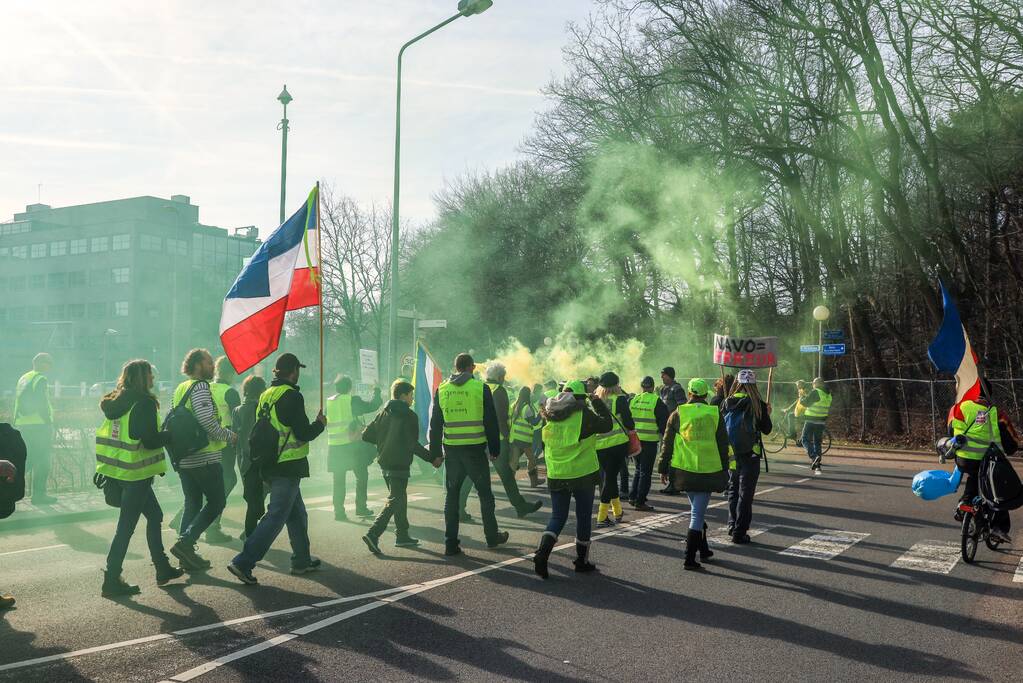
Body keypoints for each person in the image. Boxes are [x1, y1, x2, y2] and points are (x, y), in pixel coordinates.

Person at [228, 353, 326, 584]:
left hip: (269, 462)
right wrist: (319, 425)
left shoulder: (266, 394)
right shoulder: (292, 395)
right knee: (276, 516)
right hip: (288, 464)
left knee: (297, 513)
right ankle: (243, 562)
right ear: (294, 371)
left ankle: (302, 560)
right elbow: (302, 432)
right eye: (298, 370)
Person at [96, 359, 186, 596]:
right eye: (150, 375)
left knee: (155, 515)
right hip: (136, 474)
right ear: (141, 378)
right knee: (125, 527)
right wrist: (171, 435)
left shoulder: (115, 401)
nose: (153, 379)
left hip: (120, 472)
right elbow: (149, 440)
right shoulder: (144, 403)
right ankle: (112, 578)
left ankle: (163, 568)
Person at [430, 353, 509, 557]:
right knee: (485, 496)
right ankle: (492, 537)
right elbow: (490, 421)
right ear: (472, 368)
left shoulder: (443, 389)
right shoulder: (479, 388)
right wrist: (494, 449)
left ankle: (450, 543)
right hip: (475, 450)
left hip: (452, 451)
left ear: (455, 367)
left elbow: (436, 424)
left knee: (452, 496)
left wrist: (435, 454)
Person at [533, 380, 612, 578]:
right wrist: (597, 402)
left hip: (557, 473)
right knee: (583, 516)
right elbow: (607, 425)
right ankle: (581, 561)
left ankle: (542, 553)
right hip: (582, 473)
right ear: (580, 397)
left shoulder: (549, 414)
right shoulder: (583, 414)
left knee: (558, 517)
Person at [169, 349, 238, 571]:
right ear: (199, 364)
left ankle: (185, 555)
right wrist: (230, 436)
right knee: (217, 502)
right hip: (204, 457)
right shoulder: (200, 387)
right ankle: (185, 543)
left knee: (193, 503)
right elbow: (207, 422)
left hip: (185, 459)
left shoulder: (181, 388)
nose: (212, 367)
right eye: (209, 363)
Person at [361, 380, 442, 553]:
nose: (412, 399)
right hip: (399, 463)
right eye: (411, 395)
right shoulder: (409, 415)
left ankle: (402, 535)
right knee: (395, 499)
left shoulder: (382, 412)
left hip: (384, 462)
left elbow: (366, 435)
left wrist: (384, 443)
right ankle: (373, 533)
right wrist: (431, 459)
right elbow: (412, 444)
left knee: (399, 498)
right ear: (403, 395)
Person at [657, 378, 729, 570]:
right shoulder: (714, 413)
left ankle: (703, 549)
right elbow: (723, 445)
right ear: (706, 395)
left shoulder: (678, 413)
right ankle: (689, 559)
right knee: (697, 514)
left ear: (690, 393)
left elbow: (667, 442)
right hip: (708, 470)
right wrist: (725, 469)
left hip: (683, 470)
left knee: (697, 510)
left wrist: (663, 468)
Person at [950, 387, 1016, 543]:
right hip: (989, 460)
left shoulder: (959, 407)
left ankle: (964, 503)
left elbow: (950, 430)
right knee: (999, 489)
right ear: (988, 393)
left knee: (973, 476)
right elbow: (1010, 439)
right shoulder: (994, 412)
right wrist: (1012, 448)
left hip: (963, 458)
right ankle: (998, 528)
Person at [482, 362, 543, 517]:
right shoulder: (499, 390)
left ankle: (459, 508)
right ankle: (521, 506)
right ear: (501, 377)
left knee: (470, 476)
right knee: (507, 476)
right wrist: (507, 437)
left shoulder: (479, 387)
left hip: (480, 438)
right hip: (497, 440)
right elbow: (501, 417)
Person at [721, 369, 772, 544]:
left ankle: (731, 524)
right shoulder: (757, 403)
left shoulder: (727, 402)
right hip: (750, 453)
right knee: (746, 492)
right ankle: (739, 531)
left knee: (733, 488)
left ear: (738, 383)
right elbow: (766, 429)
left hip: (731, 453)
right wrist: (767, 413)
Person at [325, 375, 382, 521]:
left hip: (335, 447)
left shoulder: (329, 402)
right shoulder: (352, 400)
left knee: (338, 481)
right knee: (361, 476)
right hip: (352, 446)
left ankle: (339, 512)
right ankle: (361, 507)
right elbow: (373, 405)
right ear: (350, 387)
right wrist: (376, 389)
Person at [205, 356, 241, 543]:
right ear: (231, 372)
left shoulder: (207, 388)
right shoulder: (230, 392)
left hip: (207, 443)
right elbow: (239, 420)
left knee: (213, 483)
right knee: (227, 481)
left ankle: (184, 519)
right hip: (226, 444)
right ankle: (212, 526)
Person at [14, 352, 57, 505]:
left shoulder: (24, 378)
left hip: (24, 425)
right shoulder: (40, 378)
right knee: (43, 461)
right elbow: (42, 404)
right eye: (49, 363)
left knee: (29, 459)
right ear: (41, 363)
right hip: (39, 427)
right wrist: (48, 422)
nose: (50, 366)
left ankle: (7, 487)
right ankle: (39, 496)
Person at [593, 372, 635, 528]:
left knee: (610, 478)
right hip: (617, 444)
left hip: (599, 446)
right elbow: (630, 423)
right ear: (615, 385)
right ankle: (602, 516)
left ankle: (617, 511)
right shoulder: (620, 399)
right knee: (610, 479)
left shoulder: (595, 401)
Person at [232, 374, 267, 540]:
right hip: (257, 461)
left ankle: (249, 533)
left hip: (243, 461)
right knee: (257, 503)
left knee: (253, 498)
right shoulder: (259, 409)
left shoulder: (237, 410)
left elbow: (235, 439)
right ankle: (250, 536)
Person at [628, 376, 668, 511]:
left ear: (642, 386)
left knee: (638, 470)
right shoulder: (656, 401)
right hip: (649, 442)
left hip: (635, 440)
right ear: (652, 387)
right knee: (645, 472)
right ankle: (640, 501)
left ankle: (633, 497)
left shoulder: (634, 400)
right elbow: (664, 424)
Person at [658, 366, 686, 496]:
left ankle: (674, 484)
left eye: (664, 375)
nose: (662, 377)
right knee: (666, 455)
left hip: (675, 427)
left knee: (673, 456)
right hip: (665, 426)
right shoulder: (663, 389)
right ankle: (671, 483)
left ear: (670, 376)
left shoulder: (677, 389)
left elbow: (682, 407)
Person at [510, 386, 544, 488]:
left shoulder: (514, 405)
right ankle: (534, 482)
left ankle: (510, 483)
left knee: (514, 461)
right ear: (527, 395)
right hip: (524, 439)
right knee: (532, 460)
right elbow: (534, 422)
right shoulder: (526, 407)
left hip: (515, 437)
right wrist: (540, 413)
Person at [800, 377, 831, 473]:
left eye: (813, 383)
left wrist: (801, 397)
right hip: (821, 421)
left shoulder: (816, 392)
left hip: (811, 419)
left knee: (804, 439)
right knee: (817, 442)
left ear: (817, 384)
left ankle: (814, 456)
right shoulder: (828, 394)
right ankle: (817, 462)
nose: (812, 385)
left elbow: (805, 403)